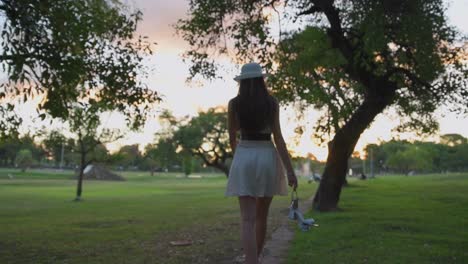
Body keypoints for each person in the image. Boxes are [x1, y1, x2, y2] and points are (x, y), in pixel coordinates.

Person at [225, 62, 298, 264]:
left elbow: (232, 136)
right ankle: (255, 258)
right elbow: (279, 138)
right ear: (261, 80)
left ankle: (251, 261)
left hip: (244, 154)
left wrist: (239, 155)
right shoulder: (272, 103)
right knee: (261, 216)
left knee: (247, 219)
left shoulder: (234, 104)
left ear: (242, 82)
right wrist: (290, 171)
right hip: (266, 155)